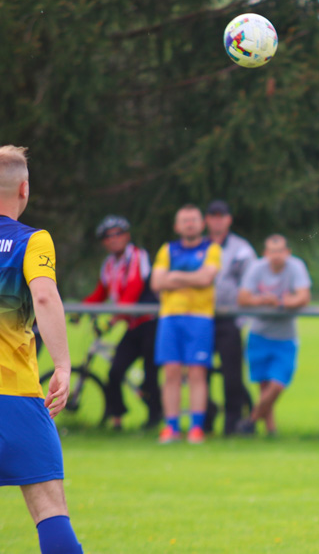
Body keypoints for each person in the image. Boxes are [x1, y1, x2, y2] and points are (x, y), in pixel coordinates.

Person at [0, 145, 84, 553]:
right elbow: (46, 299)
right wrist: (64, 366)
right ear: (24, 189)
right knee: (49, 507)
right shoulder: (32, 241)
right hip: (13, 395)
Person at [83, 215, 161, 430]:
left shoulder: (138, 256)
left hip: (151, 323)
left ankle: (156, 418)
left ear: (127, 236)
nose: (113, 239)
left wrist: (113, 320)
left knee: (150, 373)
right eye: (107, 236)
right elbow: (100, 293)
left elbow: (133, 291)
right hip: (133, 325)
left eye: (118, 234)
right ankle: (116, 417)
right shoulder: (109, 264)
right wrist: (79, 310)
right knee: (115, 371)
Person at [151, 204, 221, 444]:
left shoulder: (211, 249)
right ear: (177, 226)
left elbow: (205, 278)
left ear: (202, 224)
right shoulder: (167, 249)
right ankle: (171, 427)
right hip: (170, 317)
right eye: (185, 220)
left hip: (200, 318)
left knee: (196, 373)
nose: (189, 224)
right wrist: (188, 279)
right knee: (170, 372)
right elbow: (157, 282)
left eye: (194, 219)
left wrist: (175, 277)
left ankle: (196, 428)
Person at [236, 234, 311, 435]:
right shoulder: (257, 268)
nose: (276, 256)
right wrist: (263, 301)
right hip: (259, 335)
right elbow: (243, 297)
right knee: (264, 386)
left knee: (277, 384)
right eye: (272, 251)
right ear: (265, 253)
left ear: (287, 253)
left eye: (280, 251)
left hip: (286, 337)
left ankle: (250, 421)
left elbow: (303, 296)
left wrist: (281, 303)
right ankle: (271, 430)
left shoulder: (296, 266)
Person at [205, 199, 256, 434]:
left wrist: (242, 319)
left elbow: (250, 282)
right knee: (199, 371)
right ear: (207, 220)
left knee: (232, 374)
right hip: (202, 317)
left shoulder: (241, 249)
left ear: (228, 219)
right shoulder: (200, 246)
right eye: (212, 216)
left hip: (230, 318)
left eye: (221, 216)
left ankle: (232, 422)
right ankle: (205, 417)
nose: (217, 220)